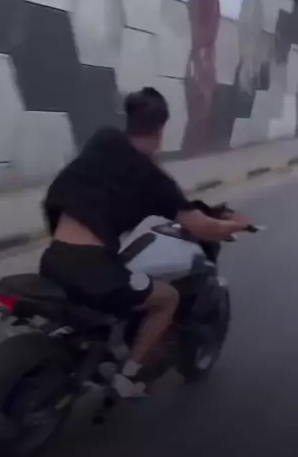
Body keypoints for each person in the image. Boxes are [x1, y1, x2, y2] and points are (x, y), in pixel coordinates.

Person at [40, 88, 249, 398]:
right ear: (160, 130)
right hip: (91, 270)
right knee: (167, 298)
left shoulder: (104, 140)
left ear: (129, 120)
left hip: (54, 257)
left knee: (117, 276)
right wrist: (235, 225)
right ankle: (128, 376)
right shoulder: (154, 181)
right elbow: (202, 226)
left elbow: (132, 167)